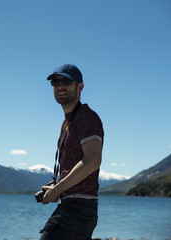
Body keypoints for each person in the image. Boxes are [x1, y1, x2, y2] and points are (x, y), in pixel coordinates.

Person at [39, 64, 104, 240]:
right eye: (55, 82)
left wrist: (57, 189)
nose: (59, 86)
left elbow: (92, 161)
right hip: (77, 207)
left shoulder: (86, 117)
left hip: (78, 208)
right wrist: (57, 189)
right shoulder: (69, 121)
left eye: (66, 82)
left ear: (80, 87)